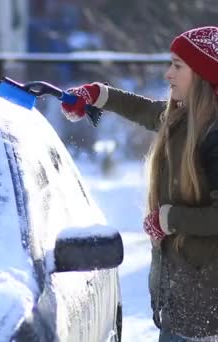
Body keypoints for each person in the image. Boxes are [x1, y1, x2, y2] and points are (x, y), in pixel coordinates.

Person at [61, 26, 218, 341]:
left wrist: (169, 219)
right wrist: (96, 94)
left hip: (206, 310)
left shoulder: (213, 137)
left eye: (177, 66)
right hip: (184, 300)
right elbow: (145, 110)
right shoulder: (184, 120)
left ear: (202, 75)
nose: (167, 74)